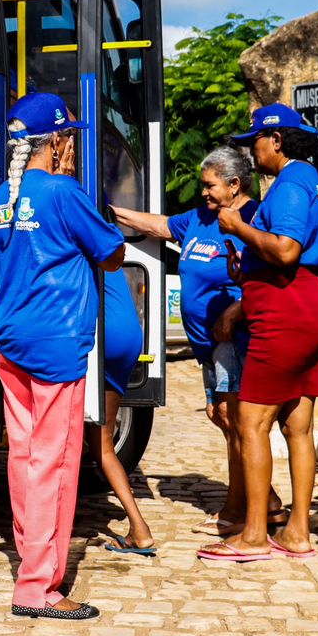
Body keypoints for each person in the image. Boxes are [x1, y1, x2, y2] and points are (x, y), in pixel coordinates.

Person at [0, 91, 124, 621]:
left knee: (23, 459)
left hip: (13, 339)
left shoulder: (5, 193)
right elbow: (111, 253)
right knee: (56, 463)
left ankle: (30, 560)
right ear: (59, 141)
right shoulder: (64, 191)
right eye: (69, 137)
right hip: (56, 343)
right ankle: (39, 588)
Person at [113, 148, 285, 538]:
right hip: (208, 343)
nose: (203, 192)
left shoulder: (255, 218)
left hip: (234, 340)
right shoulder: (200, 217)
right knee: (224, 418)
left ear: (234, 184)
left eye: (210, 185)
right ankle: (266, 502)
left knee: (234, 420)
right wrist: (109, 209)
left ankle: (238, 511)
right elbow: (159, 225)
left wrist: (237, 311)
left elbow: (271, 273)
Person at [196, 104, 318, 563]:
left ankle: (254, 533)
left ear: (276, 140)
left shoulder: (293, 181)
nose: (251, 150)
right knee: (298, 426)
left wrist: (238, 226)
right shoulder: (309, 181)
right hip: (306, 306)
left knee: (251, 423)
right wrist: (247, 264)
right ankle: (297, 532)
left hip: (286, 312)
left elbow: (288, 249)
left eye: (255, 140)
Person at [86, 267, 155, 555]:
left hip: (105, 333)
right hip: (128, 335)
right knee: (103, 445)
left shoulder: (75, 226)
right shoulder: (106, 231)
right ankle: (139, 528)